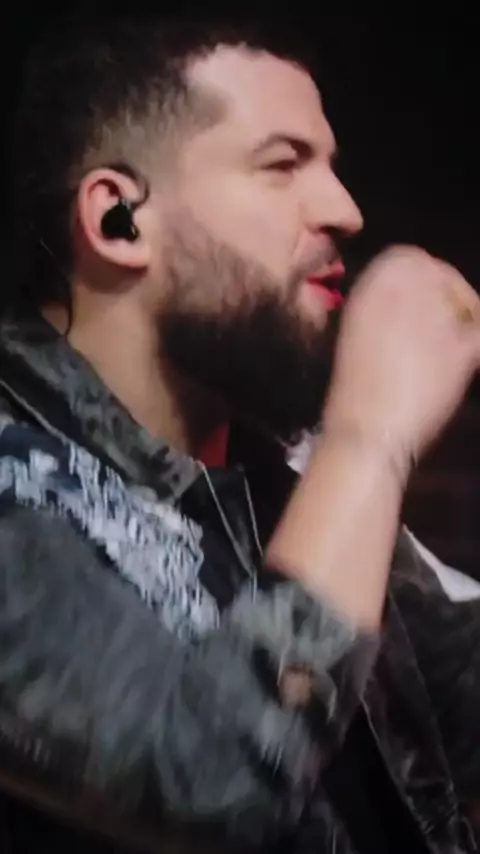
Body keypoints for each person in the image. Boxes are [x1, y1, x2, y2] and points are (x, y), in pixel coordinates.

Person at [1, 12, 479, 854]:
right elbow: (206, 784)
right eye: (283, 165)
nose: (345, 209)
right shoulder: (18, 483)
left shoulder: (277, 474)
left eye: (329, 165)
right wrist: (368, 439)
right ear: (119, 220)